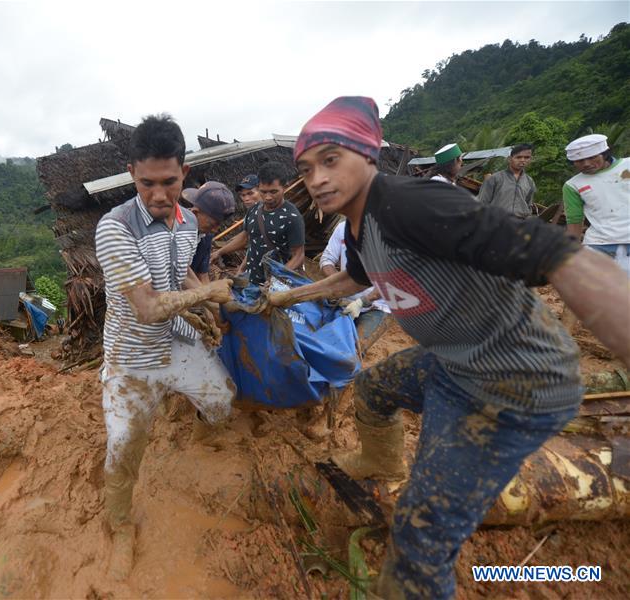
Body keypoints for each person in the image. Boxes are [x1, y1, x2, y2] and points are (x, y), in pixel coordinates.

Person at [269, 96, 630, 600]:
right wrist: (287, 296)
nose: (317, 178)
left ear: (368, 156)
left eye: (331, 160)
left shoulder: (411, 203)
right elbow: (353, 278)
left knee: (420, 540)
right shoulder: (357, 223)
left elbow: (563, 258)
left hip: (511, 384)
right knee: (374, 389)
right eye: (307, 168)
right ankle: (380, 464)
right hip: (452, 362)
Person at [94, 114, 236, 581]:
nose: (159, 194)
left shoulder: (187, 224)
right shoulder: (115, 228)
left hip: (176, 343)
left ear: (185, 175)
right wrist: (209, 294)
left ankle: (202, 434)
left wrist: (203, 306)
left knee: (221, 399)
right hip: (131, 358)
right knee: (125, 443)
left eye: (169, 182)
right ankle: (119, 526)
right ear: (132, 172)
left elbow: (180, 277)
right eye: (147, 182)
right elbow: (149, 307)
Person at [211, 162, 305, 285]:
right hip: (251, 280)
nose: (268, 197)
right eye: (263, 192)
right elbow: (251, 241)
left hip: (276, 286)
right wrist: (240, 269)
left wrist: (276, 279)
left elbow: (298, 256)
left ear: (285, 187)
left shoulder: (292, 216)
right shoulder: (254, 210)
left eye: (273, 192)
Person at [563, 133, 630, 275]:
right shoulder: (573, 185)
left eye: (592, 157)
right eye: (579, 161)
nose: (586, 164)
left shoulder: (627, 166)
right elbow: (574, 221)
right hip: (598, 246)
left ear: (604, 154)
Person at [320, 218, 391, 343]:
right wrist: (339, 285)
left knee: (355, 350)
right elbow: (327, 259)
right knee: (324, 341)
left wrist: (361, 302)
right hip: (343, 299)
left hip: (376, 306)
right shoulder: (343, 228)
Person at [182, 182, 237, 283]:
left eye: (219, 224)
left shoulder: (206, 235)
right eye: (212, 224)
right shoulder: (176, 233)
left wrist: (210, 294)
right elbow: (180, 274)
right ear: (195, 213)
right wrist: (205, 293)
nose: (215, 230)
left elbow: (202, 273)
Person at [477, 143, 537, 216]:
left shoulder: (530, 182)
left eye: (526, 157)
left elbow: (528, 205)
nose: (522, 160)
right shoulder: (495, 178)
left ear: (530, 159)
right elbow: (482, 203)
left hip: (518, 224)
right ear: (509, 159)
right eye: (518, 157)